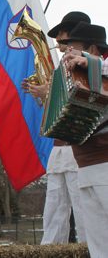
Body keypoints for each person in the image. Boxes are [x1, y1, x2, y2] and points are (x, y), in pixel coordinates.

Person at [21, 12, 89, 244]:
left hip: (78, 145)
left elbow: (79, 100)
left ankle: (89, 248)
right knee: (54, 207)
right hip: (60, 146)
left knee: (83, 208)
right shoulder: (64, 63)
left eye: (61, 34)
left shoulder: (85, 63)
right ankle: (51, 249)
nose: (58, 39)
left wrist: (45, 91)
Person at [54, 21, 108, 257]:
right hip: (86, 165)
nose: (68, 55)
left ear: (93, 50)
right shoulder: (80, 76)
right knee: (98, 243)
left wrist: (95, 65)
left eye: (72, 50)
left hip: (105, 164)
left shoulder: (99, 67)